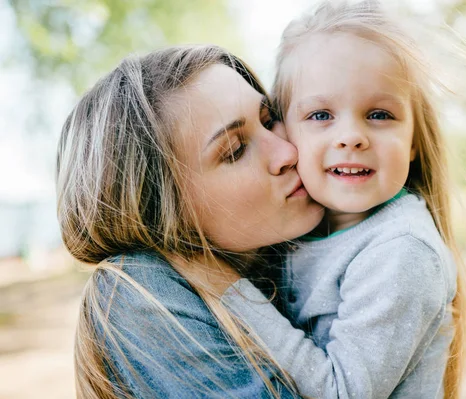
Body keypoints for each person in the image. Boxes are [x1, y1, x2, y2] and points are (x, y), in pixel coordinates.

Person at [218, 1, 466, 398]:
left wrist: (228, 291)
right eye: (321, 115)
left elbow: (341, 392)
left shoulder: (401, 251)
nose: (351, 136)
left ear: (413, 142)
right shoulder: (290, 229)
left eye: (379, 114)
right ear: (284, 133)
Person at [56, 45, 324, 398]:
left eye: (269, 117)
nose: (288, 152)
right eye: (235, 150)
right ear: (162, 210)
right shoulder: (136, 290)